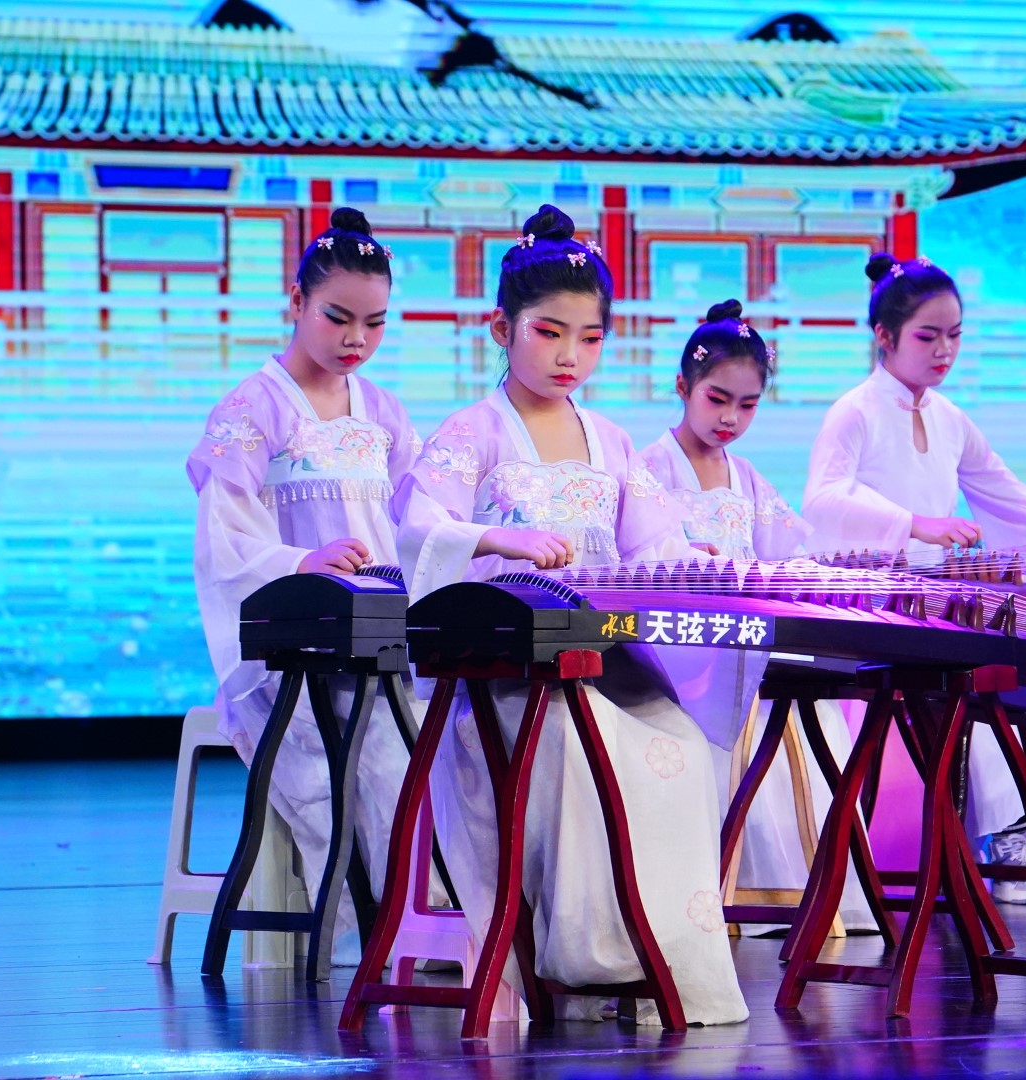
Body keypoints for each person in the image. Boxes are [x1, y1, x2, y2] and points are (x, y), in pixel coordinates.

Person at [391, 205, 748, 1025]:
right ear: (501, 329)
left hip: (599, 664)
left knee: (686, 739)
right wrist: (497, 538)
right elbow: (417, 528)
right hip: (505, 681)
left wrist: (700, 559)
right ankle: (578, 952)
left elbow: (653, 542)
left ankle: (648, 950)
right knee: (584, 745)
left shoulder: (610, 440)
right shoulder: (471, 432)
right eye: (549, 333)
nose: (568, 356)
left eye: (589, 339)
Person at [802, 253, 1026, 901]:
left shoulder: (949, 419)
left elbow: (1017, 504)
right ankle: (1011, 833)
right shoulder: (854, 412)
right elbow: (822, 499)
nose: (944, 350)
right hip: (877, 606)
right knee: (987, 668)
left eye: (954, 335)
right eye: (927, 336)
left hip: (937, 602)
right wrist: (915, 524)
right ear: (885, 336)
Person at [188, 206, 420, 958]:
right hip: (290, 652)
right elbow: (224, 539)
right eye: (338, 318)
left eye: (375, 324)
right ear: (296, 302)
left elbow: (413, 522)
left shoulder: (383, 411)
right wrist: (299, 562)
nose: (357, 340)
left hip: (379, 642)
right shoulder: (252, 408)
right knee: (343, 770)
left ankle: (420, 929)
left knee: (418, 764)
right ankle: (383, 932)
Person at [632, 299, 874, 932]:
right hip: (677, 652)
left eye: (747, 405)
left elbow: (784, 560)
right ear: (682, 386)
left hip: (744, 644)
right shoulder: (647, 469)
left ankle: (803, 891)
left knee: (807, 709)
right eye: (717, 399)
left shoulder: (746, 478)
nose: (730, 418)